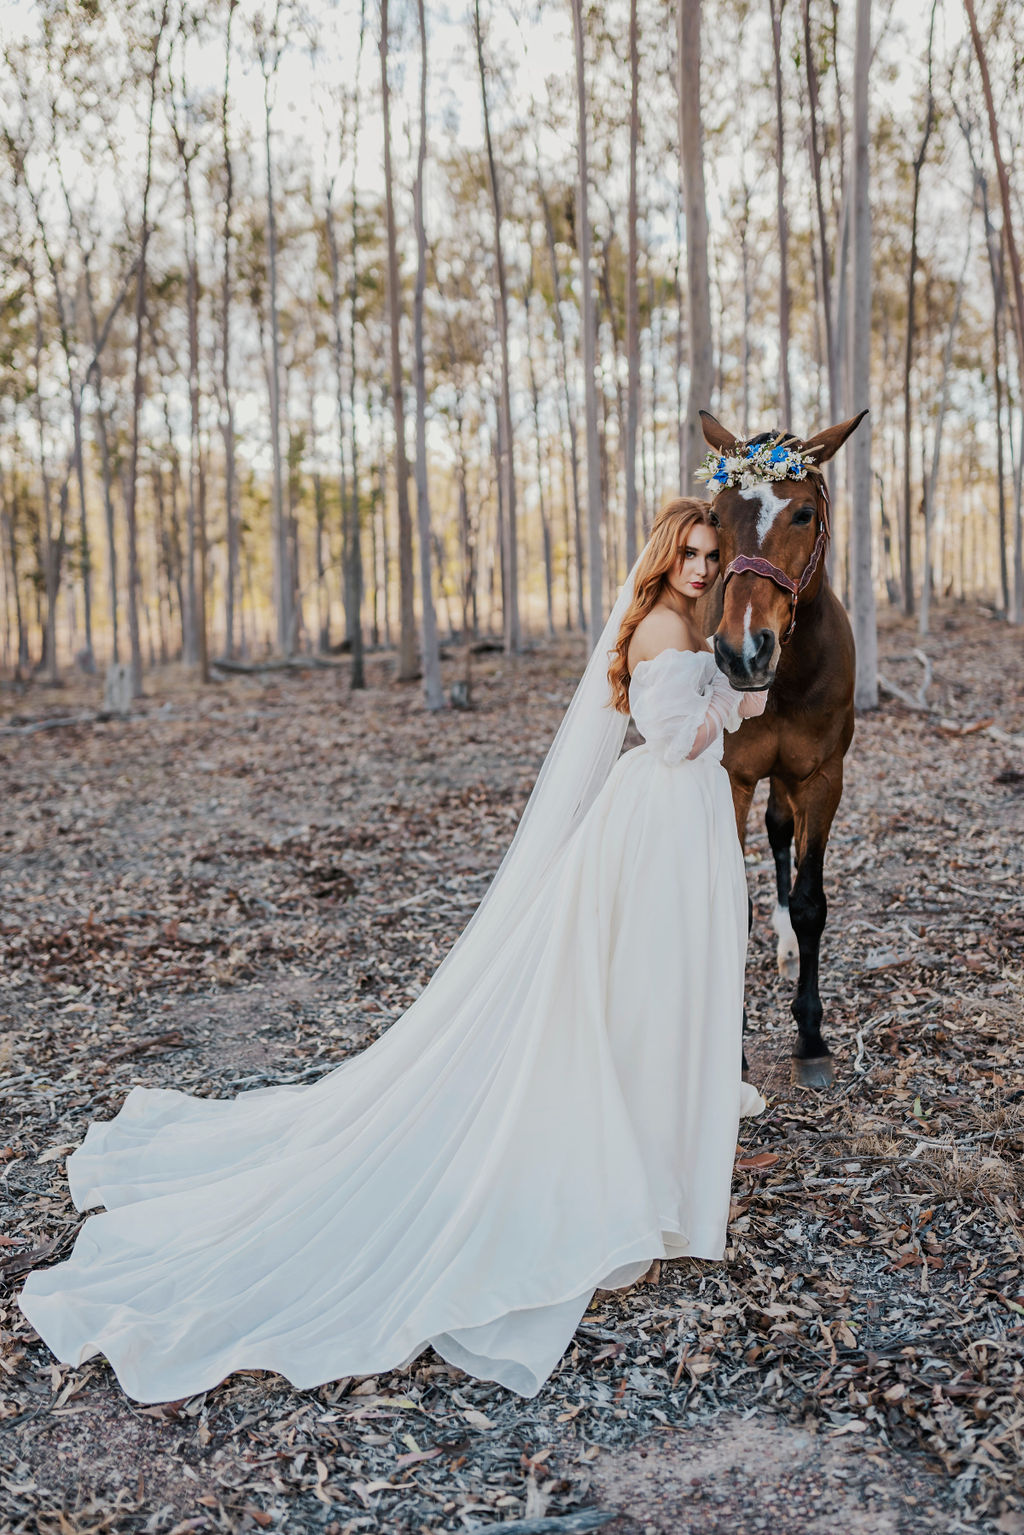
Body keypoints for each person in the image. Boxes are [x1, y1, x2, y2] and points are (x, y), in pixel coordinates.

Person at [20, 497, 768, 1405]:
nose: (699, 564)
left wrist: (736, 682)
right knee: (645, 987)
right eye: (687, 552)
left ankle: (664, 1143)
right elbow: (673, 737)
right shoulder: (657, 626)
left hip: (677, 825)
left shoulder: (696, 619)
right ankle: (638, 1161)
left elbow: (721, 709)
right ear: (663, 560)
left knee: (667, 988)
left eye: (709, 552)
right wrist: (728, 693)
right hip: (653, 821)